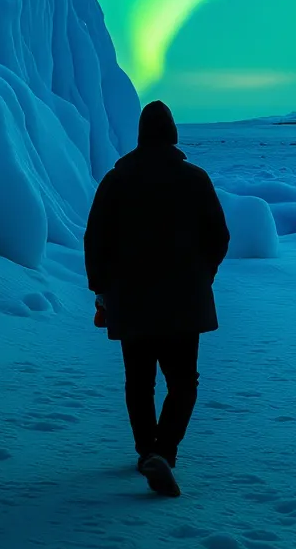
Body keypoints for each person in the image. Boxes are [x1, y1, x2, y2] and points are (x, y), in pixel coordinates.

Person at [83, 100, 230, 497]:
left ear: (141, 136)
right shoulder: (194, 178)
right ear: (173, 136)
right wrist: (204, 275)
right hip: (185, 298)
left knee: (139, 381)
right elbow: (219, 236)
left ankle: (148, 451)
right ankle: (163, 452)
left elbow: (94, 239)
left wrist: (101, 290)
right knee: (184, 381)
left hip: (130, 299)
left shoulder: (117, 180)